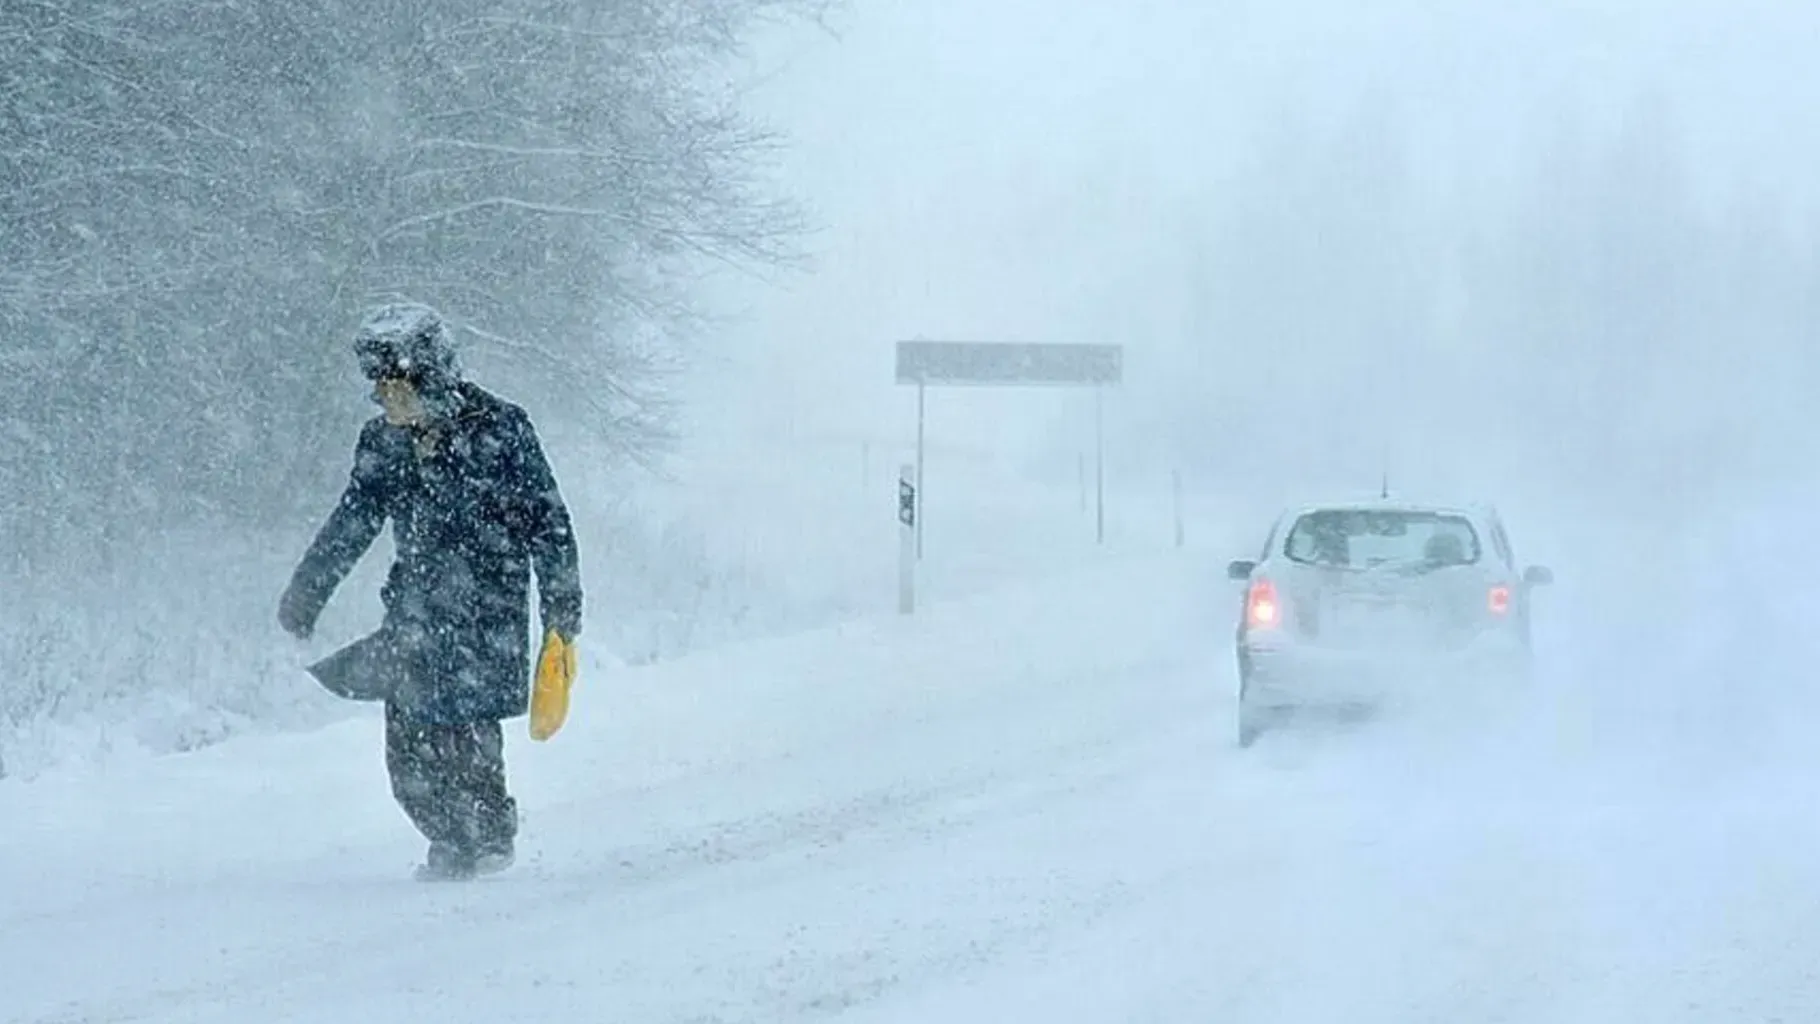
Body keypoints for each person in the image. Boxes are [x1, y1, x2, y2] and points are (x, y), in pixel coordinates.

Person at [278, 304, 583, 880]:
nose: (388, 399)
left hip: (486, 614)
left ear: (433, 377)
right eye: (380, 388)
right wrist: (307, 590)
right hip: (414, 614)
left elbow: (550, 524)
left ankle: (488, 841)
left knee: (466, 737)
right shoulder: (383, 443)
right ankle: (448, 839)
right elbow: (353, 520)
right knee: (409, 753)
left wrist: (561, 614)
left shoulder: (502, 429)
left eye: (399, 386)